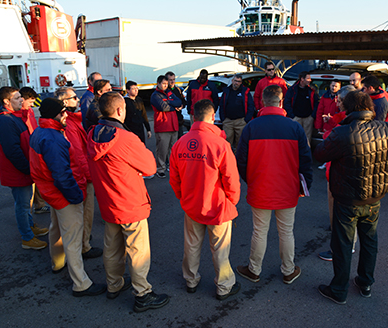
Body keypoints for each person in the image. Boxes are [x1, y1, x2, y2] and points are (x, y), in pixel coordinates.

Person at [314, 90, 388, 305]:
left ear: (348, 108)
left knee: (343, 244)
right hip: (374, 197)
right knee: (369, 240)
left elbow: (320, 154)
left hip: (347, 198)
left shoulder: (343, 132)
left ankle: (339, 289)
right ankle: (365, 282)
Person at [86, 91, 169, 312]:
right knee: (137, 251)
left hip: (107, 200)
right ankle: (142, 293)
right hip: (130, 202)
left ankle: (114, 285)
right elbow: (150, 167)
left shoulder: (92, 133)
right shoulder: (125, 138)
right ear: (120, 110)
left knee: (112, 247)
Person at [235, 85, 313, 285]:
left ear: (262, 102)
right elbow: (305, 160)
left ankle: (254, 269)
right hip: (288, 189)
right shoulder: (294, 127)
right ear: (281, 101)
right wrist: (304, 186)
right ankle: (288, 270)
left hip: (260, 187)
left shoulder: (252, 126)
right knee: (286, 231)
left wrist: (250, 180)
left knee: (259, 231)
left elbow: (241, 161)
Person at [29, 98, 106, 297]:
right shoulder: (54, 138)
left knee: (56, 228)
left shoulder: (40, 133)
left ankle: (57, 262)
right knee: (72, 239)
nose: (66, 114)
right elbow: (61, 175)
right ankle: (81, 283)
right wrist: (76, 196)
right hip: (62, 194)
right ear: (54, 113)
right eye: (63, 111)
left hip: (51, 193)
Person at [169, 99, 242, 301]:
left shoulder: (179, 143)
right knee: (220, 248)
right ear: (212, 117)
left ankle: (191, 280)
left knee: (191, 245)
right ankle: (224, 285)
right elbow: (231, 180)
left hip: (191, 204)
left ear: (193, 117)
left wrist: (183, 197)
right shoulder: (221, 144)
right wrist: (232, 200)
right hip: (217, 206)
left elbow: (174, 178)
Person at [0, 86, 49, 250]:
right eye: (17, 98)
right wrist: (27, 168)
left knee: (26, 203)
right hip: (18, 171)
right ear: (6, 101)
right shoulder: (6, 120)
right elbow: (12, 151)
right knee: (22, 205)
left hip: (23, 169)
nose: (21, 100)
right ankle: (27, 237)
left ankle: (30, 228)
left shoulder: (14, 117)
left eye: (21, 97)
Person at [55, 87, 103, 260]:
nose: (78, 99)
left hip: (78, 175)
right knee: (86, 212)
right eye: (74, 97)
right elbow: (78, 154)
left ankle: (81, 242)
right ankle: (84, 246)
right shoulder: (69, 124)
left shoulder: (72, 120)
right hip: (81, 176)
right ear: (65, 102)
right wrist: (90, 177)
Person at [316, 85, 357, 262]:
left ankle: (341, 250)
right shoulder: (353, 121)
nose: (336, 103)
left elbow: (327, 149)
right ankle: (349, 244)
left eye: (339, 101)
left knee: (341, 216)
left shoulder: (346, 126)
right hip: (348, 175)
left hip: (338, 175)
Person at [19, 87, 50, 214]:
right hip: (28, 150)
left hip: (33, 147)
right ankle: (29, 217)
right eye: (31, 102)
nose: (32, 105)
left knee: (37, 179)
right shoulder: (19, 114)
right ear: (22, 100)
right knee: (29, 188)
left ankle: (39, 204)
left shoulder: (29, 111)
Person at [150, 75, 182, 178]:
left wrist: (168, 102)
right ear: (158, 83)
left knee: (173, 148)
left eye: (166, 84)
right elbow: (163, 107)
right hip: (163, 126)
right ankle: (161, 169)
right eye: (163, 84)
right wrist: (174, 106)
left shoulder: (169, 92)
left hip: (173, 125)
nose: (165, 86)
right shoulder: (155, 95)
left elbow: (179, 101)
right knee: (162, 149)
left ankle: (171, 166)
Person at [218, 74, 255, 149]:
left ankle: (238, 159)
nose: (236, 83)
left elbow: (251, 106)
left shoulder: (245, 92)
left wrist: (246, 120)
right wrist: (223, 119)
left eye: (238, 81)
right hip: (228, 121)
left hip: (241, 121)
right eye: (235, 81)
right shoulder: (226, 91)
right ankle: (228, 159)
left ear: (241, 82)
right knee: (227, 142)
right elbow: (221, 105)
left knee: (241, 143)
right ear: (232, 81)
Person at [284, 71, 319, 146]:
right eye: (308, 78)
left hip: (308, 118)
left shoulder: (312, 89)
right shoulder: (292, 89)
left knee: (307, 140)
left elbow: (317, 102)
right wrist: (292, 115)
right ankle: (295, 154)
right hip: (296, 117)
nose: (310, 80)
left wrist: (312, 116)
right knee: (295, 138)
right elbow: (287, 102)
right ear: (302, 79)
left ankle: (306, 155)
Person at [165, 71, 187, 138]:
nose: (172, 82)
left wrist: (182, 106)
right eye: (170, 80)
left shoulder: (177, 90)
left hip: (178, 120)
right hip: (168, 121)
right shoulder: (164, 92)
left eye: (173, 79)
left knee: (180, 139)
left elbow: (184, 101)